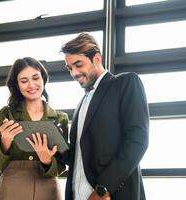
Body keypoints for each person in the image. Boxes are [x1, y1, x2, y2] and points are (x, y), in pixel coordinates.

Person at [60, 33, 149, 200]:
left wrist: (103, 189)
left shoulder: (126, 83)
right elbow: (81, 155)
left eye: (78, 64)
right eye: (69, 68)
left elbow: (138, 141)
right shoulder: (82, 102)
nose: (74, 73)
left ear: (97, 59)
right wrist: (57, 151)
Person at [0, 57, 69, 200]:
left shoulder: (60, 118)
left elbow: (62, 166)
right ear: (17, 85)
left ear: (43, 79)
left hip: (48, 186)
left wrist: (47, 160)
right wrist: (5, 141)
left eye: (35, 78)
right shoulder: (6, 114)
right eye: (24, 81)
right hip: (13, 186)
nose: (31, 85)